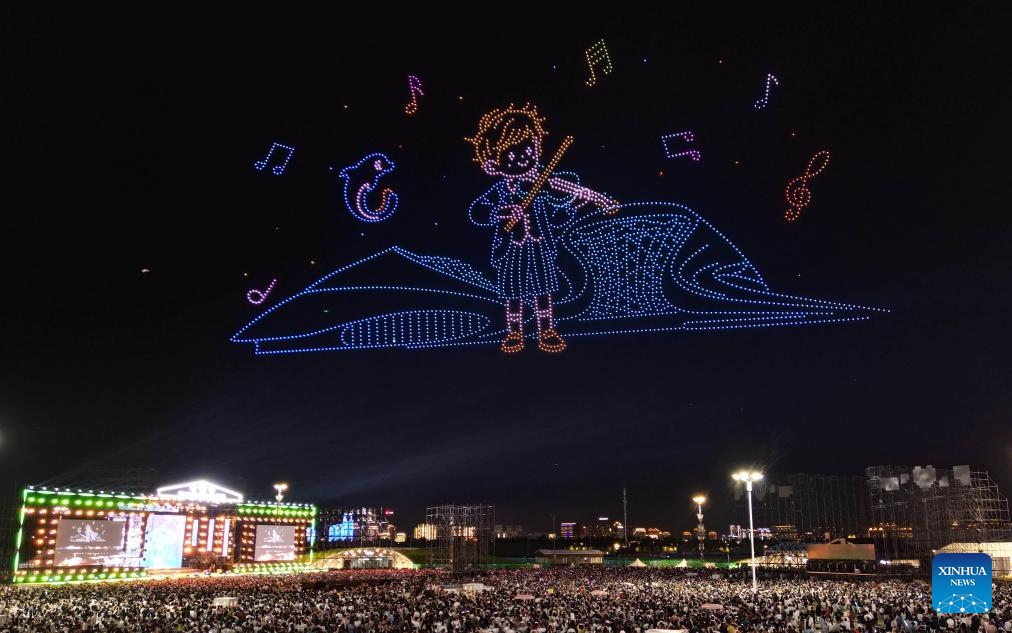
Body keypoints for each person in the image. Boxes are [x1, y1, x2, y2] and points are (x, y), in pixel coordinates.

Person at [465, 103, 616, 353]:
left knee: (543, 291)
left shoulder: (540, 186)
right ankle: (514, 333)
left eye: (528, 151)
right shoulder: (500, 191)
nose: (523, 159)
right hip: (511, 251)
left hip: (538, 248)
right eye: (512, 155)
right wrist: (501, 213)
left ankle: (546, 329)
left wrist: (579, 204)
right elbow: (477, 212)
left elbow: (555, 219)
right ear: (493, 163)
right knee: (514, 294)